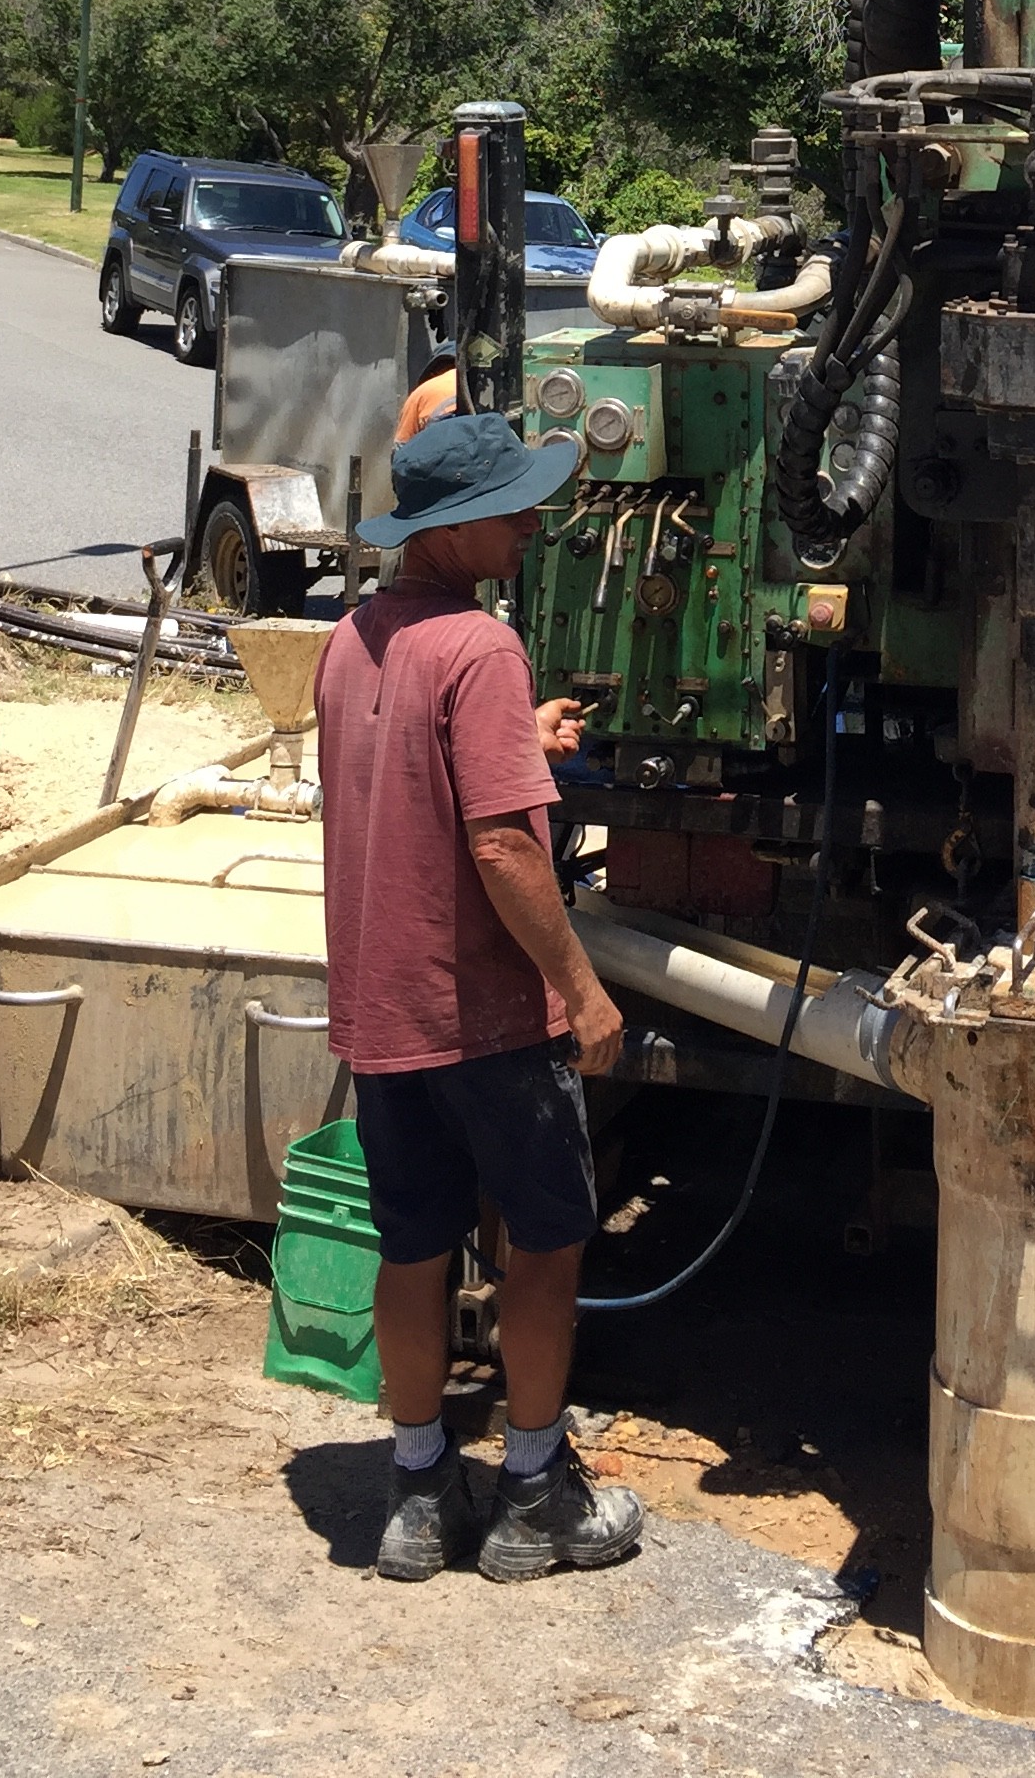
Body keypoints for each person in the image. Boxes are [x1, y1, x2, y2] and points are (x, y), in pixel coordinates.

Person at [314, 406, 642, 1585]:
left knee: (412, 1248)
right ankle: (537, 1493)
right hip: (487, 1019)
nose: (534, 519)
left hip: (385, 1010)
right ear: (452, 528)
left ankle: (412, 1493)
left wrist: (527, 743)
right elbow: (503, 851)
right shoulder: (485, 650)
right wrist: (582, 989)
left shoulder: (352, 638)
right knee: (545, 1249)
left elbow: (413, 769)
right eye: (513, 504)